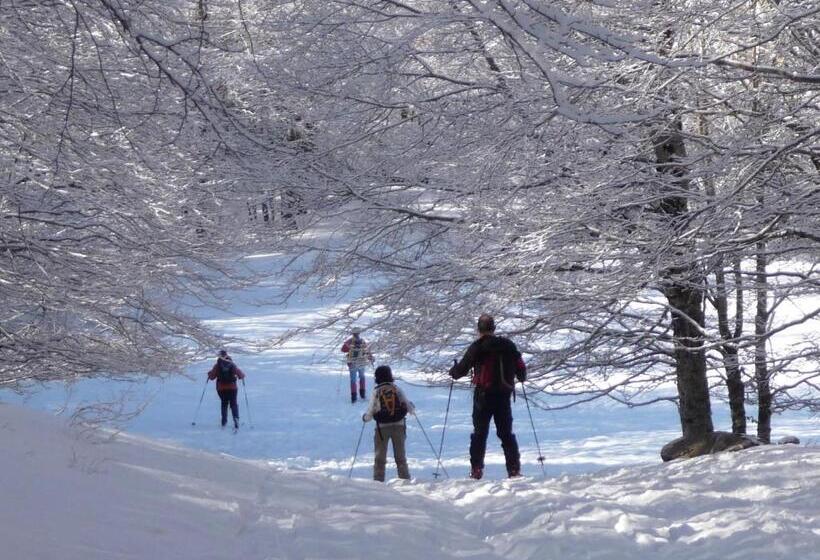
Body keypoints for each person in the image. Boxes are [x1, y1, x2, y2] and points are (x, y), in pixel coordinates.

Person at [449, 314, 527, 480]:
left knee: (479, 433)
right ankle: (513, 469)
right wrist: (519, 376)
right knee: (506, 433)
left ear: (479, 329)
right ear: (494, 328)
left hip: (483, 396)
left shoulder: (477, 347)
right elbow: (521, 369)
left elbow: (461, 369)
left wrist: (453, 372)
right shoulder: (508, 345)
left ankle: (476, 469)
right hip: (503, 395)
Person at [363, 365, 415, 482]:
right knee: (400, 457)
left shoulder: (376, 391)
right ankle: (405, 480)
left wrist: (365, 418)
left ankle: (378, 482)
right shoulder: (396, 389)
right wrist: (411, 408)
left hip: (382, 428)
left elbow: (371, 411)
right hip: (399, 426)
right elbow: (409, 407)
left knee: (380, 458)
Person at [207, 350, 246, 429]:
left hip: (221, 388)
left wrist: (209, 373)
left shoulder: (217, 365)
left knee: (224, 403)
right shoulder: (232, 364)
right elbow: (240, 375)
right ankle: (236, 419)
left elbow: (211, 377)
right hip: (232, 387)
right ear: (226, 355)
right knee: (233, 403)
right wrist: (241, 376)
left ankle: (224, 421)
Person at [341, 326, 374, 403]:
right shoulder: (362, 341)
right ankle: (362, 394)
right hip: (362, 362)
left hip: (352, 363)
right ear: (359, 333)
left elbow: (343, 350)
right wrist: (370, 358)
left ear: (353, 333)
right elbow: (367, 351)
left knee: (353, 380)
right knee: (362, 377)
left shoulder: (349, 342)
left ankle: (354, 396)